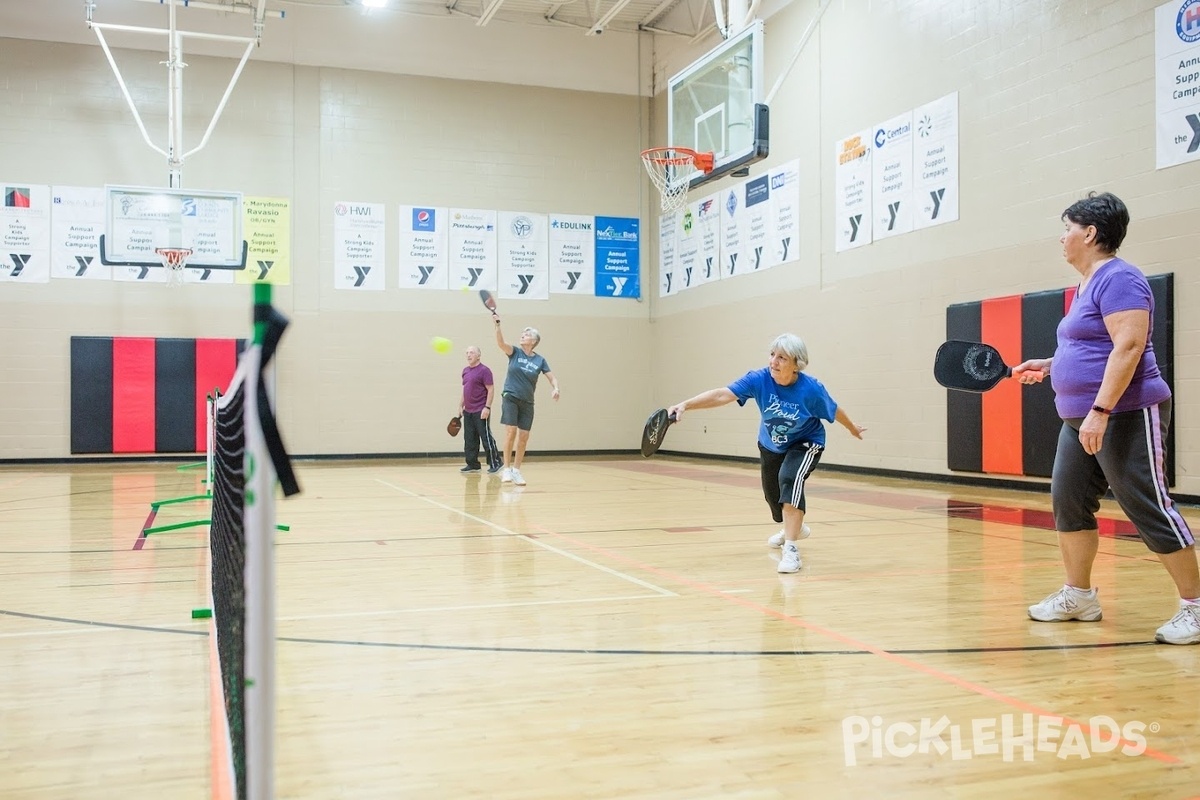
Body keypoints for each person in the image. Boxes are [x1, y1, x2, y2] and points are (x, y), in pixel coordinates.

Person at [1015, 191, 1199, 645]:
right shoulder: (1088, 284)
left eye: (1068, 229)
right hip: (1078, 419)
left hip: (1126, 413)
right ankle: (1079, 596)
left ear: (1090, 233)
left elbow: (1130, 346)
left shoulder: (1121, 278)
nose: (1062, 238)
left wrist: (1100, 409)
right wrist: (1053, 365)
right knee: (1069, 501)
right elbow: (1092, 348)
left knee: (1147, 505)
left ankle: (1195, 607)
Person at [666, 333, 865, 573]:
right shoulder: (758, 379)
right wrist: (685, 405)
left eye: (782, 358)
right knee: (774, 497)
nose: (773, 361)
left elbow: (834, 411)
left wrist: (852, 427)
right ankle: (794, 527)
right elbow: (722, 394)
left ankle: (791, 550)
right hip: (770, 445)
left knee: (790, 480)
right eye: (772, 355)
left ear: (796, 364)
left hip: (806, 442)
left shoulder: (811, 390)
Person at [492, 312, 559, 486]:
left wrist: (555, 388)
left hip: (527, 402)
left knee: (524, 437)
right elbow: (500, 343)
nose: (523, 335)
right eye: (523, 333)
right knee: (511, 432)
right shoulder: (515, 352)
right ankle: (506, 469)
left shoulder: (540, 360)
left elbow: (551, 377)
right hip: (510, 397)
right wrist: (498, 325)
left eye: (527, 334)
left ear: (534, 341)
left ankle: (516, 471)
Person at [458, 345, 502, 474]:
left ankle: (496, 463)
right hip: (468, 410)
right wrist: (460, 405)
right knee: (469, 438)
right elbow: (465, 389)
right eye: (467, 352)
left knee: (486, 437)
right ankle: (473, 464)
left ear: (478, 355)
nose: (468, 355)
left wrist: (487, 407)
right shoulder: (465, 370)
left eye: (471, 352)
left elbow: (491, 389)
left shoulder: (484, 370)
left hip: (481, 409)